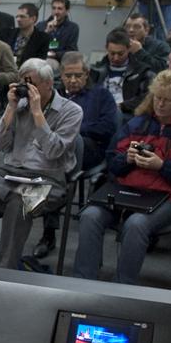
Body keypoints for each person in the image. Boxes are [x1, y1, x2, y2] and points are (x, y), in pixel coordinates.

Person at [72, 71, 171, 285]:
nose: (160, 104)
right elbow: (112, 163)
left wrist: (162, 166)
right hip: (128, 191)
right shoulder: (138, 123)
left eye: (167, 100)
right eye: (157, 97)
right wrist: (126, 159)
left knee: (136, 224)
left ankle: (123, 286)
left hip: (169, 196)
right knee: (90, 215)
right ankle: (83, 281)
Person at [0, 59, 82, 270]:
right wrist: (11, 108)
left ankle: (7, 270)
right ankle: (13, 192)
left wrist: (37, 113)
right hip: (10, 173)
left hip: (47, 181)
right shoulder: (18, 105)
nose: (26, 89)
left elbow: (54, 151)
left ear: (49, 84)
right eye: (23, 83)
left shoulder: (72, 111)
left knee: (19, 203)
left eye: (32, 84)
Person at [32, 52, 117, 258]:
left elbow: (107, 128)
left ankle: (48, 233)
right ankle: (23, 205)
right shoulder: (53, 94)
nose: (73, 80)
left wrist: (73, 129)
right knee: (46, 156)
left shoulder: (101, 95)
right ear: (60, 74)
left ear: (86, 74)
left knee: (56, 161)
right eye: (68, 75)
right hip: (53, 147)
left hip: (90, 149)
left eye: (78, 75)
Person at [90, 28, 160, 114]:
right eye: (112, 53)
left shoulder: (142, 72)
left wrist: (122, 106)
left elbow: (146, 98)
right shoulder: (95, 71)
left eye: (120, 54)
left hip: (127, 114)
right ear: (106, 48)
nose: (116, 58)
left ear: (129, 49)